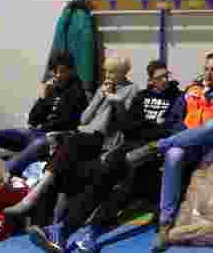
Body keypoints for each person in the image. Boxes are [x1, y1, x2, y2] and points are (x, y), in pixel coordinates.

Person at [30, 60, 181, 253]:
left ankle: (87, 233)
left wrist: (145, 130)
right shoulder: (142, 96)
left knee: (125, 184)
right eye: (160, 77)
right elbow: (127, 128)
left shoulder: (176, 97)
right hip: (129, 147)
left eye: (167, 75)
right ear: (151, 81)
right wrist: (108, 101)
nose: (165, 80)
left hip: (154, 150)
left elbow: (169, 128)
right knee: (103, 176)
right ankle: (62, 229)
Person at [10, 55, 138, 235]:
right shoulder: (103, 88)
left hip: (103, 139)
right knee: (62, 163)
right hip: (84, 134)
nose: (107, 76)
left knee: (68, 144)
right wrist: (100, 96)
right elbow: (84, 119)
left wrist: (115, 101)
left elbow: (124, 123)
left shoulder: (132, 89)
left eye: (112, 72)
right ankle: (41, 217)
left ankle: (36, 199)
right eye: (106, 71)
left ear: (123, 72)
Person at [151, 53, 213, 253]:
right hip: (189, 145)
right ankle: (165, 224)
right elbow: (174, 119)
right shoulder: (192, 90)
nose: (209, 73)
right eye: (206, 69)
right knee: (173, 155)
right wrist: (185, 134)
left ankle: (160, 145)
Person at [0, 50, 88, 177]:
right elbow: (32, 120)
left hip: (55, 139)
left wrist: (44, 126)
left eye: (62, 71)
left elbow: (67, 122)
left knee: (38, 144)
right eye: (55, 71)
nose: (58, 75)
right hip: (37, 133)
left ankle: (0, 175)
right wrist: (43, 98)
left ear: (71, 71)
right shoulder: (52, 88)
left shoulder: (77, 92)